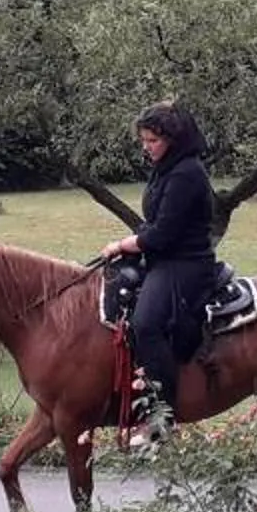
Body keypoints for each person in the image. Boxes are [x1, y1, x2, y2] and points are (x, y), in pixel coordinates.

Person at [100, 102, 215, 446]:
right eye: (144, 140)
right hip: (163, 259)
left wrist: (124, 243)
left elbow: (163, 233)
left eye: (152, 140)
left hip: (186, 265)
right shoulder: (166, 167)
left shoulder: (187, 174)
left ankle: (160, 417)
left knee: (146, 323)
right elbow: (154, 223)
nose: (146, 147)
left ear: (172, 139)